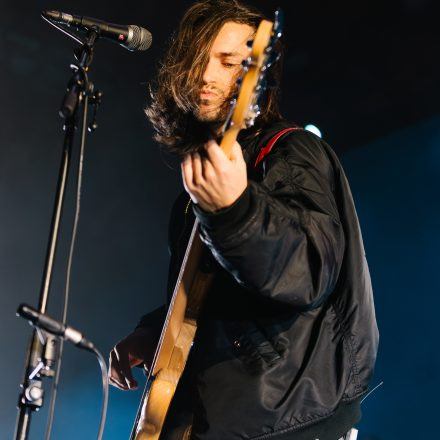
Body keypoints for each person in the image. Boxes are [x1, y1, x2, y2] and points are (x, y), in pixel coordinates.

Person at [109, 1, 379, 439]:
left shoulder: (291, 153)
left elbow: (308, 268)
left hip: (291, 421)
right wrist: (153, 332)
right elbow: (220, 296)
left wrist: (236, 213)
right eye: (202, 59)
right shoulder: (195, 192)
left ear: (257, 76)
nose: (208, 76)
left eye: (232, 62)